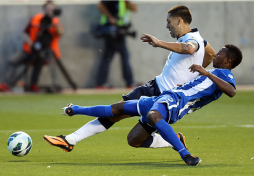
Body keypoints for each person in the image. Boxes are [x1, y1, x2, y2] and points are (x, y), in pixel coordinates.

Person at [44, 44, 243, 166]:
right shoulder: (214, 73)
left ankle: (187, 155)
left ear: (227, 60)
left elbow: (232, 92)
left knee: (153, 116)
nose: (215, 55)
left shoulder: (224, 74)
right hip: (168, 95)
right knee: (123, 118)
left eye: (220, 54)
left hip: (178, 103)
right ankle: (75, 109)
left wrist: (206, 72)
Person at [65, 5, 215, 150]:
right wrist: (195, 71)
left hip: (162, 96)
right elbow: (210, 54)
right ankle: (71, 138)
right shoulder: (199, 39)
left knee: (127, 129)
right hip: (157, 90)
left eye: (168, 22)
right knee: (117, 115)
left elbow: (189, 49)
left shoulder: (191, 39)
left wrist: (159, 43)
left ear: (179, 20)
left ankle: (72, 133)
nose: (167, 26)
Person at [0, 0, 64, 92]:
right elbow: (25, 33)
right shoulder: (36, 18)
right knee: (13, 61)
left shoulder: (56, 21)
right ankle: (6, 84)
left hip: (45, 51)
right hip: (29, 50)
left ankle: (33, 85)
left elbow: (60, 34)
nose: (49, 11)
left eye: (52, 9)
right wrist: (30, 43)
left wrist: (55, 24)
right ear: (44, 9)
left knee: (39, 62)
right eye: (48, 9)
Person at [95, 0, 137, 89]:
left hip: (120, 31)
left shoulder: (123, 1)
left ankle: (101, 82)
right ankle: (129, 81)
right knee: (124, 56)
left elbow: (134, 9)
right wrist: (110, 18)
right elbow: (100, 5)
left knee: (107, 57)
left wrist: (127, 3)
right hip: (113, 32)